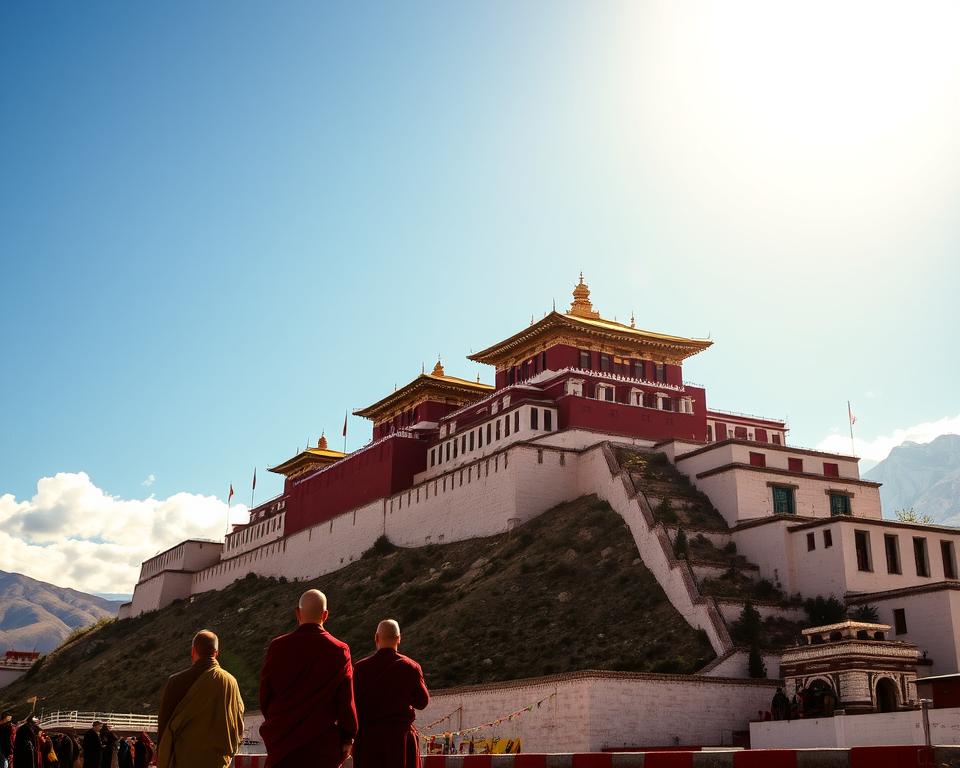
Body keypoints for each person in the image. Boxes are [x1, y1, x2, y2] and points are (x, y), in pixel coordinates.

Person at [259, 589, 357, 768]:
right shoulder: (339, 650)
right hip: (321, 747)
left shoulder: (278, 647)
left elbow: (265, 695)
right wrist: (348, 736)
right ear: (325, 615)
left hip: (282, 744)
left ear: (297, 613)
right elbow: (346, 701)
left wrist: (277, 726)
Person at [156, 629, 245, 768]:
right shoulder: (231, 682)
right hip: (218, 762)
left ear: (193, 651)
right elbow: (238, 723)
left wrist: (162, 759)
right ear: (216, 654)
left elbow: (163, 727)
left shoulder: (177, 682)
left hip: (184, 761)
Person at [353, 619, 430, 768]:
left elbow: (352, 704)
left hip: (369, 742)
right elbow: (422, 702)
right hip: (400, 741)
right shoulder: (410, 667)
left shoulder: (361, 668)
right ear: (399, 638)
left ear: (376, 637)